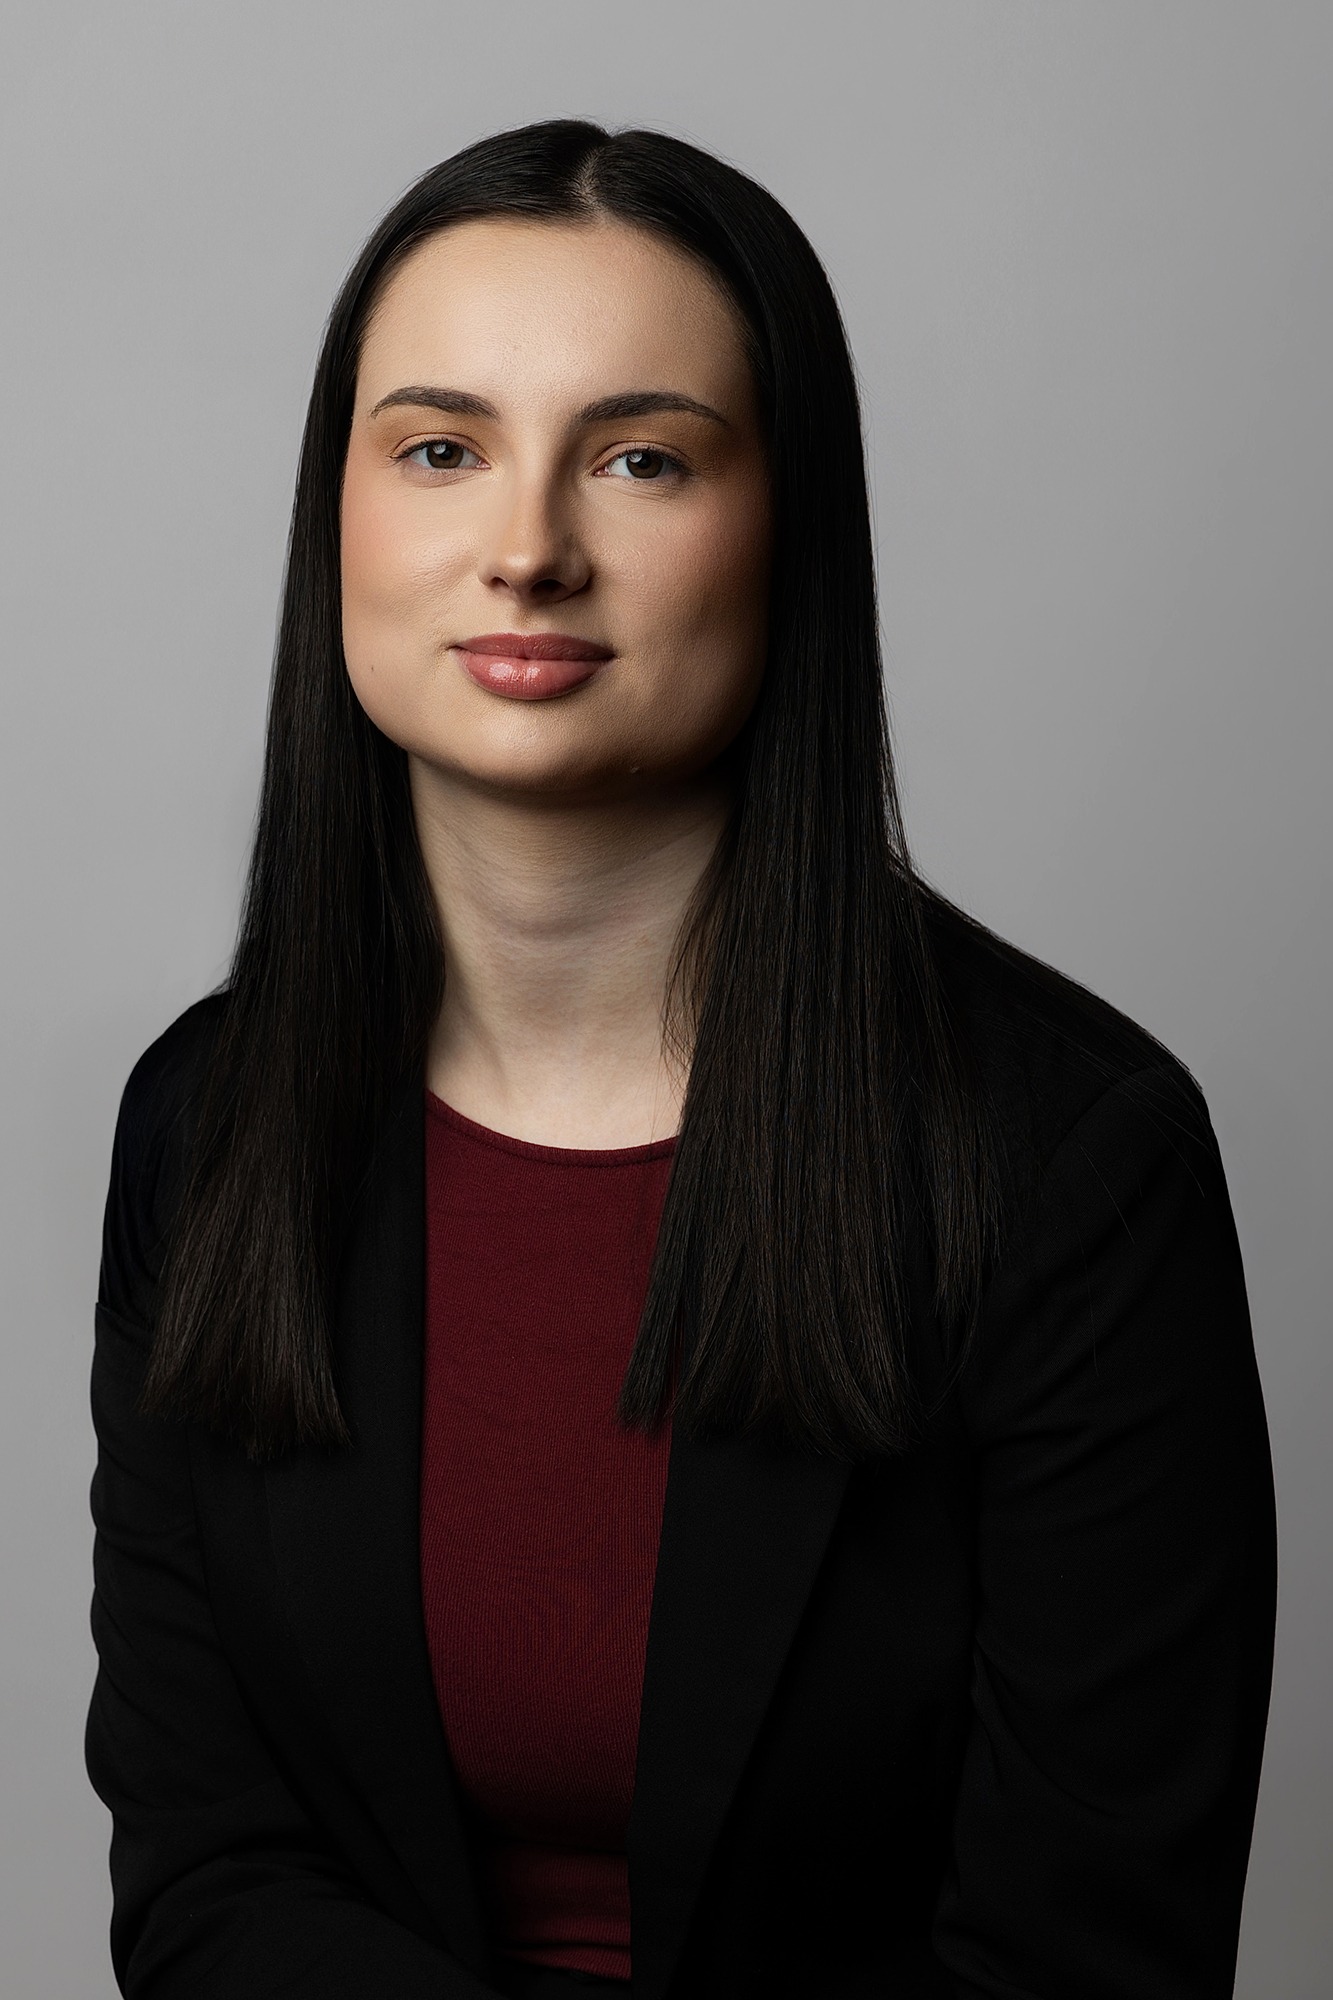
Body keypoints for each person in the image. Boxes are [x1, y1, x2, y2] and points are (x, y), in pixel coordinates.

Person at [86, 120, 1277, 2000]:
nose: (531, 547)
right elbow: (209, 1876)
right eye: (439, 448)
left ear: (790, 529)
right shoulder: (208, 1126)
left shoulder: (1070, 1162)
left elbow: (1085, 1954)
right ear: (340, 515)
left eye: (643, 458)